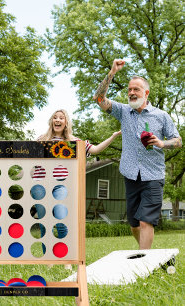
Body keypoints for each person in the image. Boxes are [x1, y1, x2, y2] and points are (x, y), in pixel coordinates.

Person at [93, 59, 182, 249]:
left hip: (153, 175)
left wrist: (161, 143)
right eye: (129, 90)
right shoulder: (124, 111)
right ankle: (147, 253)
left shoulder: (161, 116)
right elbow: (99, 99)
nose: (131, 93)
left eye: (136, 90)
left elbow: (178, 141)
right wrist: (112, 72)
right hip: (131, 174)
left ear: (146, 93)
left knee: (145, 221)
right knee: (134, 225)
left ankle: (144, 261)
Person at [34, 109, 121, 240]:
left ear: (66, 122)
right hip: (40, 184)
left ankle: (67, 259)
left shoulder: (74, 141)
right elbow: (31, 159)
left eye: (61, 118)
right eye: (55, 117)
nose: (57, 120)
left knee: (61, 219)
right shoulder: (41, 139)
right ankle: (49, 260)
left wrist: (113, 136)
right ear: (51, 121)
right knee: (44, 224)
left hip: (60, 184)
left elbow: (95, 150)